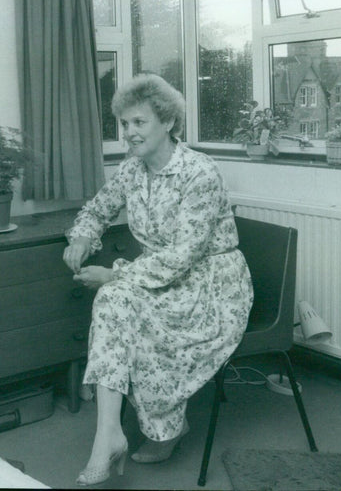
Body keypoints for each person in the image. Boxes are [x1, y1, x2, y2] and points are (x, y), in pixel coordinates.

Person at [63, 74, 253, 486]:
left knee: (116, 298)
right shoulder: (132, 169)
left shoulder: (199, 172)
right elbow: (98, 208)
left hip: (212, 287)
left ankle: (163, 429)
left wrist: (114, 274)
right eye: (125, 124)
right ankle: (109, 435)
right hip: (163, 276)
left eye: (139, 123)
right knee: (115, 303)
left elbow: (183, 256)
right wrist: (82, 235)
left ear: (167, 122)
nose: (129, 133)